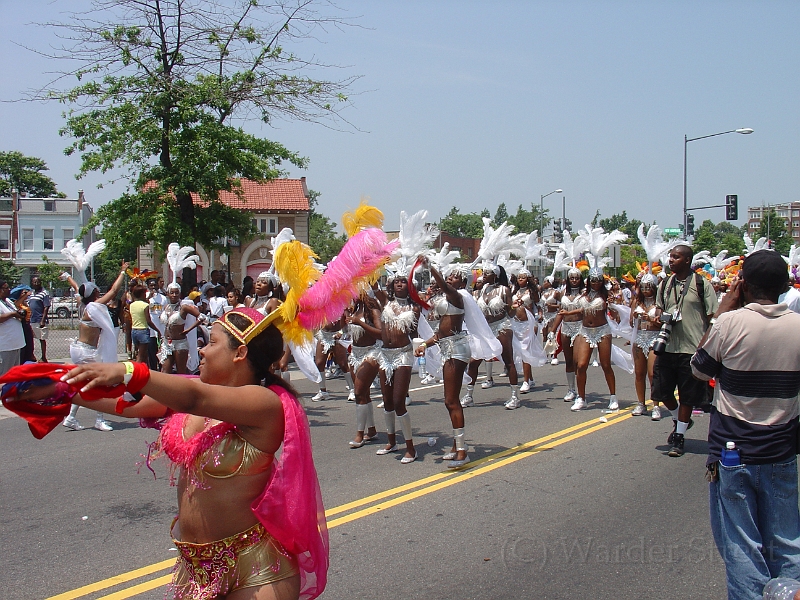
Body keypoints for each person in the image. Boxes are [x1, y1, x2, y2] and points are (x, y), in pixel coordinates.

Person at [13, 307, 328, 599]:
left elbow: (193, 398)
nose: (201, 350)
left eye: (211, 342)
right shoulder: (191, 393)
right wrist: (58, 390)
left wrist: (128, 371)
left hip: (258, 569)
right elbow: (128, 406)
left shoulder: (263, 404)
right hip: (194, 566)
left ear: (240, 353)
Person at [690, 250, 800, 600]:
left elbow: (700, 368)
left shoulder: (729, 324)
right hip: (782, 449)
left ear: (743, 285)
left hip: (734, 452)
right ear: (784, 286)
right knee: (786, 541)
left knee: (742, 546)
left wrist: (724, 307)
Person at [653, 244, 718, 457]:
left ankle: (679, 437)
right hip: (668, 345)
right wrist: (657, 317)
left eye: (676, 257)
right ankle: (680, 419)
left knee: (687, 396)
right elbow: (660, 309)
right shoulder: (665, 284)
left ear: (687, 260)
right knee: (662, 391)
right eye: (670, 256)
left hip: (691, 348)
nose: (671, 260)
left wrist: (706, 345)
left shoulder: (701, 284)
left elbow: (712, 317)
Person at [62, 262, 129, 431]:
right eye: (98, 291)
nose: (101, 293)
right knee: (102, 382)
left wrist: (68, 278)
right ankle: (99, 419)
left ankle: (70, 417)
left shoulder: (82, 303)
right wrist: (122, 272)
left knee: (85, 383)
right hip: (86, 352)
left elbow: (78, 288)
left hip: (79, 349)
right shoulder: (92, 307)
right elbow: (114, 292)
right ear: (94, 294)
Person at [416, 261, 471, 466]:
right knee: (450, 400)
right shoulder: (446, 298)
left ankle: (462, 452)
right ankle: (457, 446)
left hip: (457, 349)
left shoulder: (457, 296)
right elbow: (440, 333)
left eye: (455, 276)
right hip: (448, 348)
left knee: (451, 401)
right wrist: (424, 344)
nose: (450, 278)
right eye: (449, 275)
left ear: (463, 283)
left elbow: (444, 285)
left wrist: (431, 266)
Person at [375, 275, 420, 463]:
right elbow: (373, 285)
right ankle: (391, 442)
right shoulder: (385, 300)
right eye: (396, 281)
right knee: (386, 401)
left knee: (398, 401)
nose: (399, 284)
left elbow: (415, 333)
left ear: (409, 285)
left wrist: (420, 347)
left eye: (403, 281)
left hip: (404, 354)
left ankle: (410, 448)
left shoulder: (414, 308)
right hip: (385, 354)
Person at [462, 265, 519, 409]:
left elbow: (510, 313)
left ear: (495, 275)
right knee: (474, 362)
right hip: (485, 330)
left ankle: (514, 397)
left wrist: (516, 307)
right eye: (484, 272)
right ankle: (469, 395)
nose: (484, 275)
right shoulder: (481, 290)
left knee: (508, 361)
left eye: (488, 273)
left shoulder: (504, 290)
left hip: (501, 326)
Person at [564, 268, 619, 411]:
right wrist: (568, 312)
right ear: (589, 281)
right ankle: (581, 398)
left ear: (602, 281)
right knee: (581, 365)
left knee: (606, 365)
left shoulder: (606, 295)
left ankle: (613, 397)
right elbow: (582, 310)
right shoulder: (583, 294)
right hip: (585, 331)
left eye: (599, 280)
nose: (596, 283)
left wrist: (612, 305)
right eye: (593, 280)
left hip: (602, 331)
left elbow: (614, 313)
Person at [630, 275, 663, 419]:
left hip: (654, 339)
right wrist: (636, 315)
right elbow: (631, 322)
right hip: (639, 338)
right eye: (643, 287)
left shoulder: (660, 303)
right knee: (639, 373)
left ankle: (656, 405)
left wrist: (649, 319)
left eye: (648, 287)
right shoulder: (637, 301)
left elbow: (662, 324)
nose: (645, 290)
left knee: (652, 373)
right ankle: (641, 403)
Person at [554, 267, 584, 403]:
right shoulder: (563, 293)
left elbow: (584, 310)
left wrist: (569, 313)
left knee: (578, 362)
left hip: (579, 328)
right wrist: (552, 330)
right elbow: (560, 313)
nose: (574, 280)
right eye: (572, 278)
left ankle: (580, 391)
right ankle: (571, 389)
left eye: (577, 278)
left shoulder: (584, 293)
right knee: (569, 361)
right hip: (566, 328)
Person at [0, 280, 26, 376]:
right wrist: (12, 314)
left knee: (14, 374)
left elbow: (15, 312)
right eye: (6, 288)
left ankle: (11, 391)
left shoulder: (7, 301)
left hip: (15, 344)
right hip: (5, 346)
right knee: (5, 375)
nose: (9, 289)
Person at [129, 285, 158, 364]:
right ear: (142, 294)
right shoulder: (145, 306)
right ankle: (137, 373)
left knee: (144, 355)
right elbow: (148, 321)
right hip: (143, 331)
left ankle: (145, 371)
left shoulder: (132, 305)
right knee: (140, 356)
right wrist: (157, 330)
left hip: (134, 331)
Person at [28, 276, 51, 362]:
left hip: (39, 319)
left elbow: (46, 306)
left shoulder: (44, 293)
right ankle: (31, 356)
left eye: (38, 282)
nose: (36, 284)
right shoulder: (31, 293)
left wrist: (43, 320)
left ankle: (43, 357)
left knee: (41, 339)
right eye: (34, 282)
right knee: (31, 339)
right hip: (32, 319)